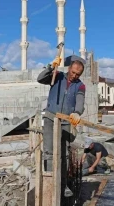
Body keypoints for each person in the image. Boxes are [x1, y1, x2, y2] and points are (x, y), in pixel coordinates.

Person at [37, 55, 86, 197]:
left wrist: (77, 112)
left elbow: (80, 102)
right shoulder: (56, 76)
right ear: (69, 69)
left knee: (64, 155)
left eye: (78, 74)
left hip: (65, 122)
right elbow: (40, 79)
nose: (74, 76)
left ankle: (62, 185)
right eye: (73, 72)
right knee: (49, 152)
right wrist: (51, 67)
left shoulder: (80, 85)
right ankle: (49, 182)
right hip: (51, 118)